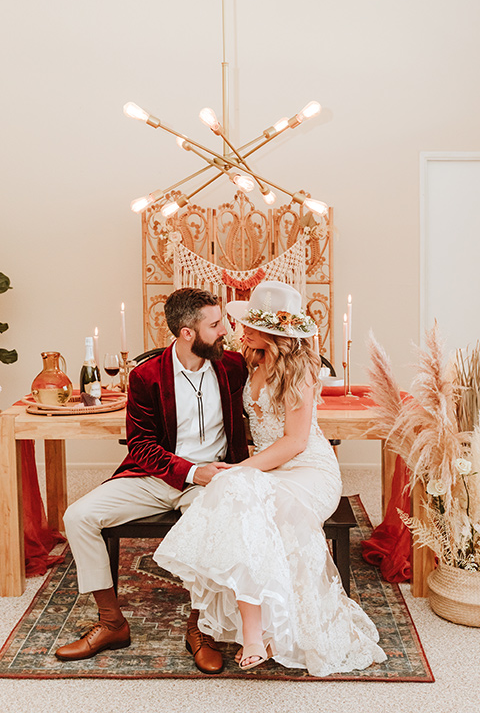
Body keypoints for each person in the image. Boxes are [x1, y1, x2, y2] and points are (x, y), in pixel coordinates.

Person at [154, 280, 387, 676]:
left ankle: (261, 631)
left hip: (308, 470)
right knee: (242, 501)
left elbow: (295, 442)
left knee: (240, 492)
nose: (236, 328)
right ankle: (254, 632)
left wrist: (239, 469)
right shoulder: (250, 359)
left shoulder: (300, 371)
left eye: (248, 324)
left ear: (272, 332)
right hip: (267, 468)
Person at [55, 288, 249, 673]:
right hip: (156, 475)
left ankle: (202, 628)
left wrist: (213, 474)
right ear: (186, 332)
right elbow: (140, 445)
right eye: (215, 324)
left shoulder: (232, 366)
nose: (225, 329)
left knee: (213, 526)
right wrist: (192, 471)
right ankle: (112, 623)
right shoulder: (146, 376)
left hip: (215, 480)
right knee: (78, 517)